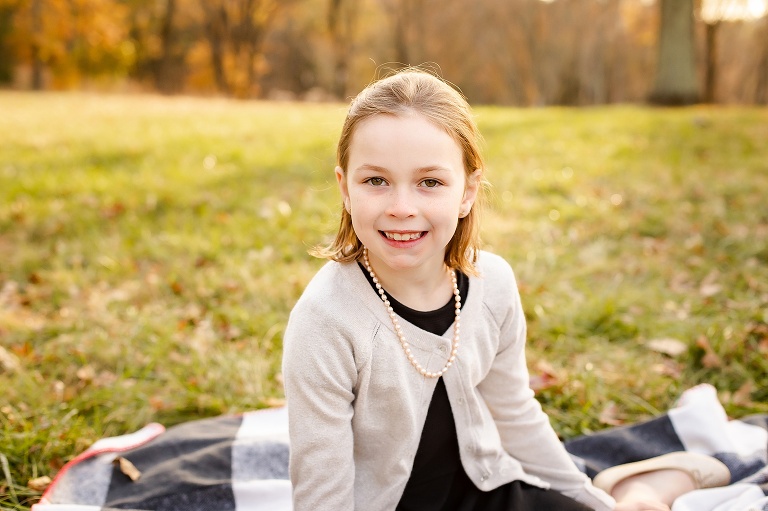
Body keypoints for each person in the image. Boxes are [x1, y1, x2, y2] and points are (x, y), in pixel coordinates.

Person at [281, 69, 729, 511]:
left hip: (489, 492)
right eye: (375, 180)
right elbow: (323, 495)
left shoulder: (490, 285)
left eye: (430, 182)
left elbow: (514, 413)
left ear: (467, 192)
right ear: (344, 188)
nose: (402, 208)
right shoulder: (326, 320)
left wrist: (589, 501)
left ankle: (635, 491)